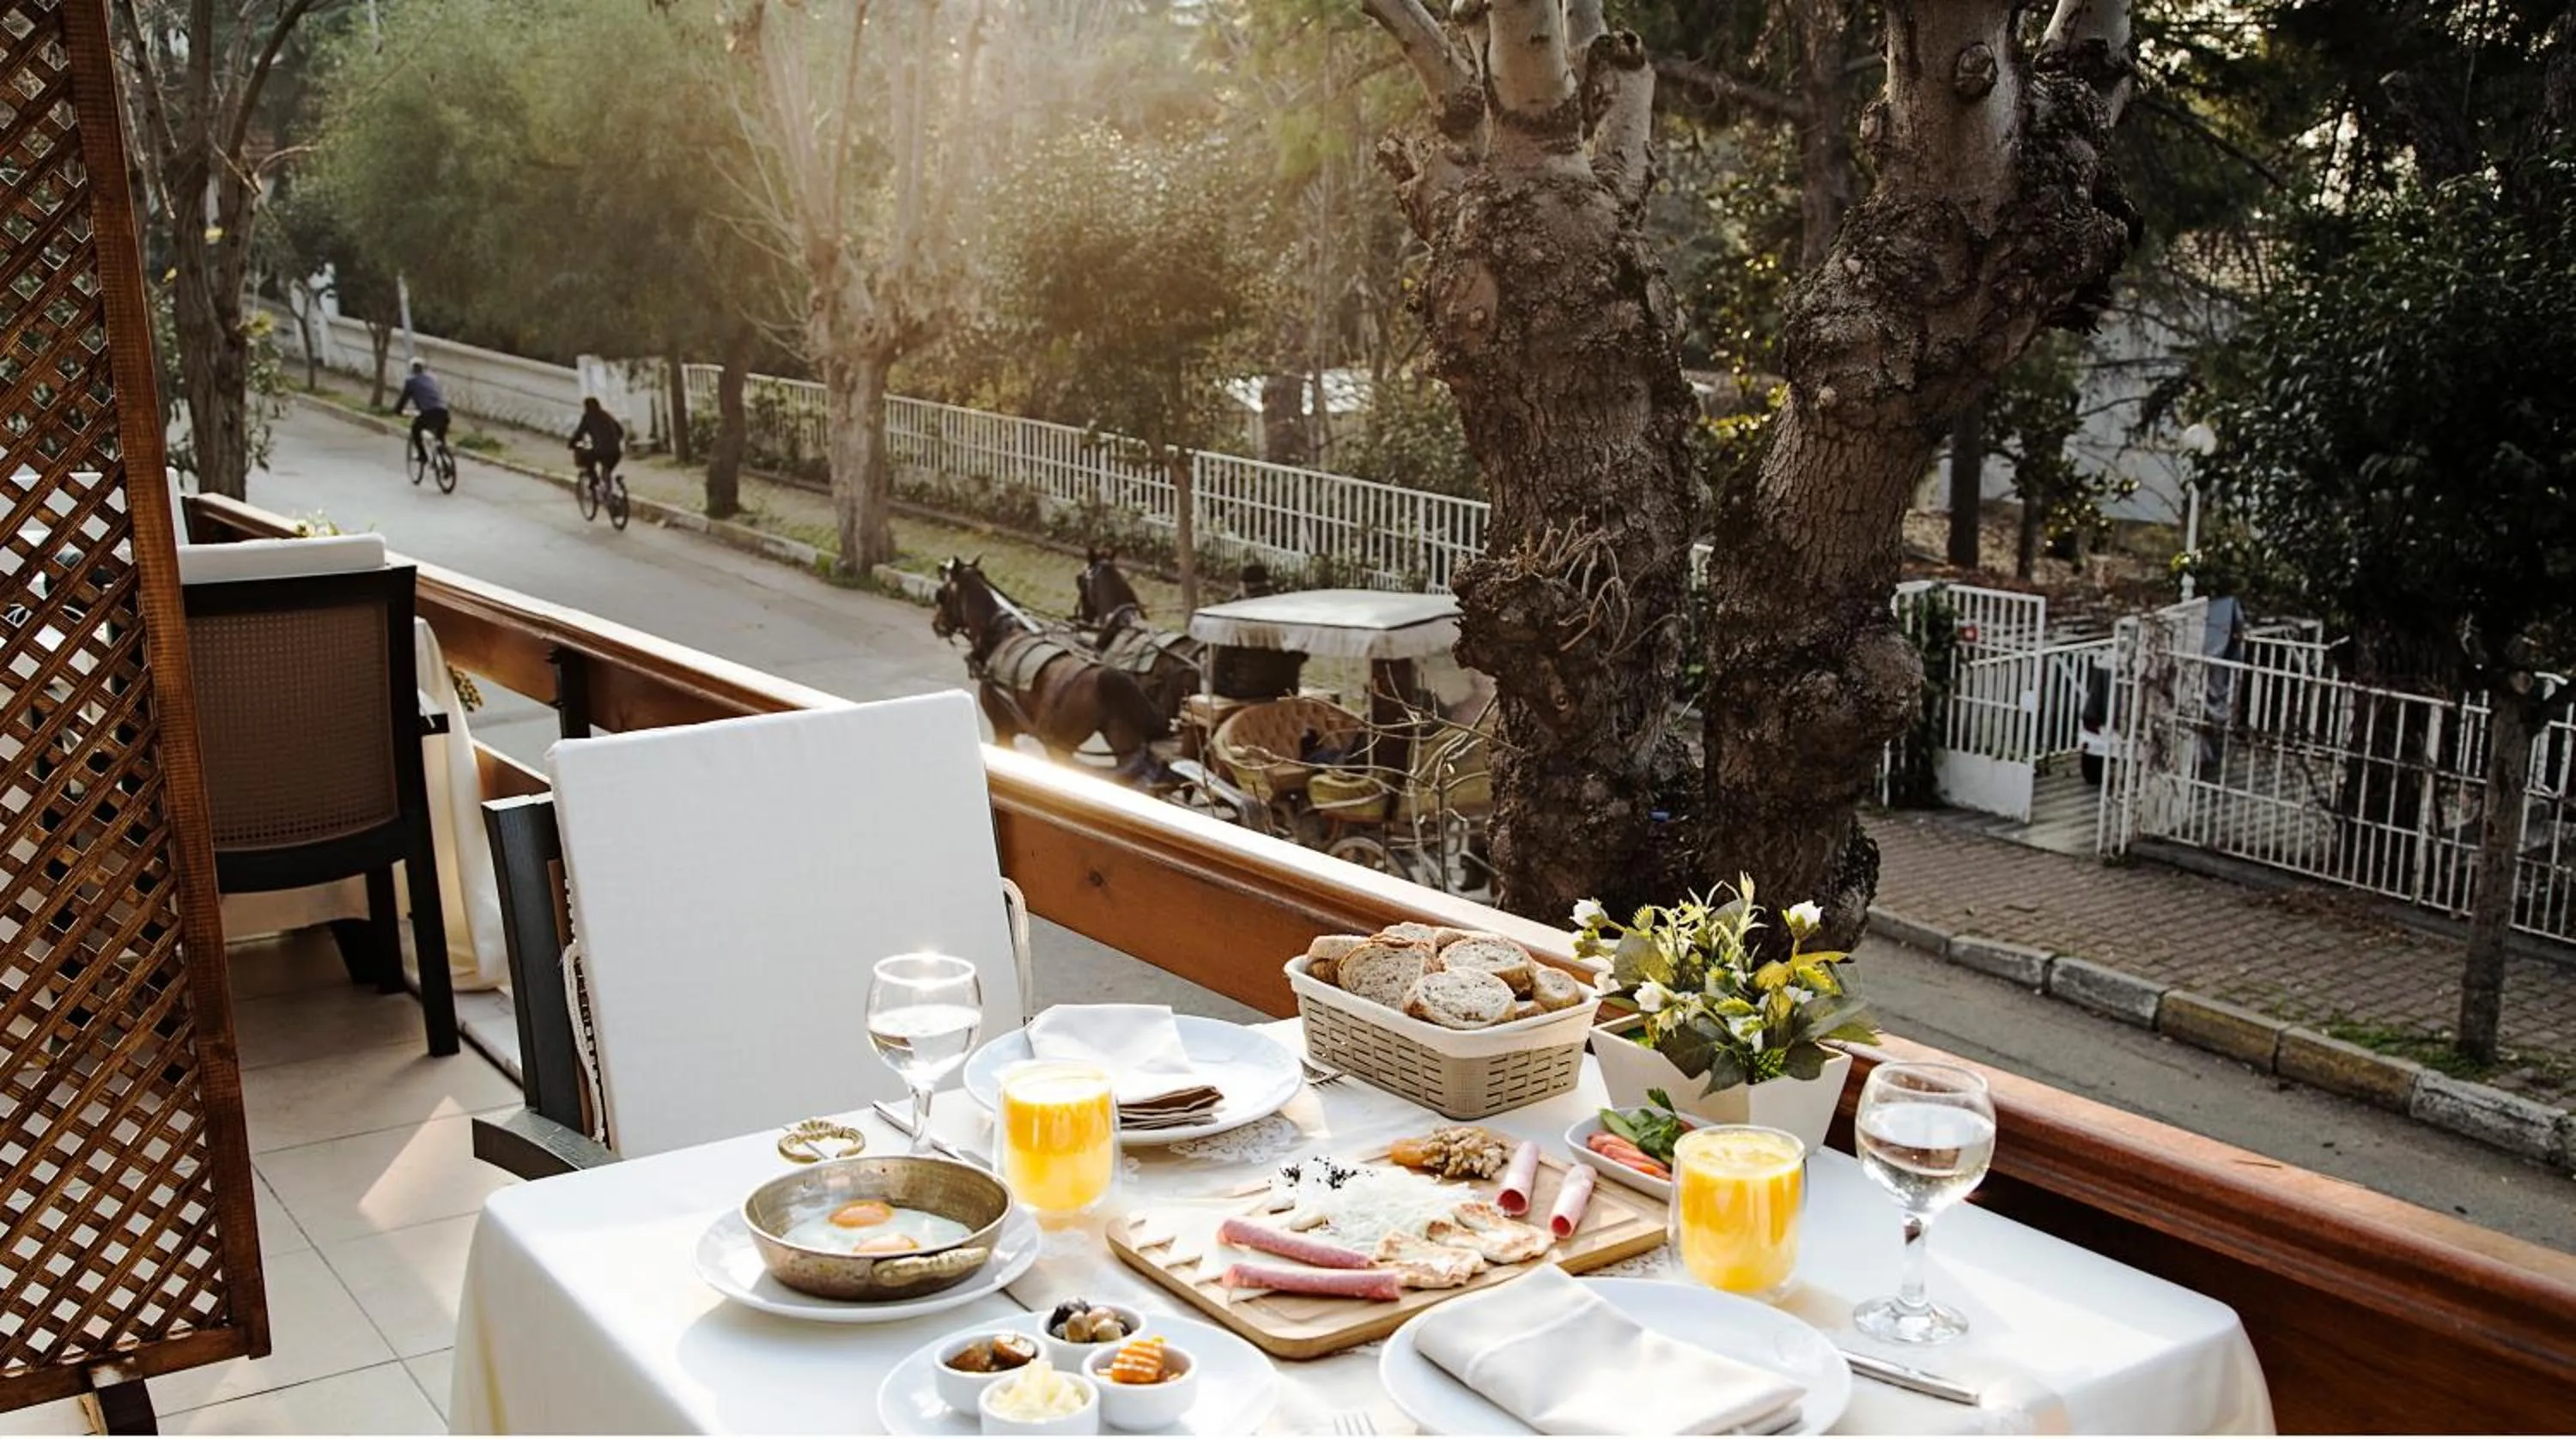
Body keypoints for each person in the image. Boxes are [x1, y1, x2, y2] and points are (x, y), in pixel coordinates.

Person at [392, 358, 449, 468]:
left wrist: (397, 411)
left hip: (428, 413)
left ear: (412, 369)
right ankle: (445, 460)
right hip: (443, 412)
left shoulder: (411, 381)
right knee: (440, 438)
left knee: (415, 429)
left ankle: (423, 455)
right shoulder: (433, 378)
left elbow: (403, 398)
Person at [568, 397, 625, 483]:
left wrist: (573, 444)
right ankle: (608, 484)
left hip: (599, 449)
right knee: (607, 468)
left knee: (587, 457)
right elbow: (620, 431)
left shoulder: (588, 417)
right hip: (616, 451)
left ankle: (594, 478)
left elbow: (579, 434)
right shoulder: (606, 415)